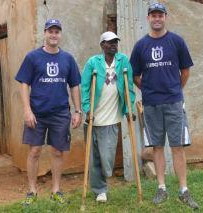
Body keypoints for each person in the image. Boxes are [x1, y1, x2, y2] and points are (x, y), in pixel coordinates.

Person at [130, 2, 199, 209]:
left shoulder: (176, 41)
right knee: (157, 146)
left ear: (165, 17)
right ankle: (161, 188)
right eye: (153, 15)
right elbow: (135, 75)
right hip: (151, 104)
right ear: (148, 18)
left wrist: (175, 89)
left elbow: (185, 70)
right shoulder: (141, 45)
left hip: (174, 103)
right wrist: (149, 89)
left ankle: (183, 190)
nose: (157, 19)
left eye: (160, 15)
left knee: (177, 147)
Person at [15, 19, 82, 205]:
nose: (54, 35)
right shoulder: (32, 57)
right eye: (50, 31)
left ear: (60, 35)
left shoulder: (67, 58)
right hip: (37, 113)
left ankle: (56, 190)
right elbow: (24, 84)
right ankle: (32, 191)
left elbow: (75, 85)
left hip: (60, 113)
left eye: (57, 32)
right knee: (34, 151)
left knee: (57, 152)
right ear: (44, 33)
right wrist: (27, 110)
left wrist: (77, 111)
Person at [81, 31, 135, 203]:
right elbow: (84, 87)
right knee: (94, 156)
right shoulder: (93, 63)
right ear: (102, 45)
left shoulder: (123, 61)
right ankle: (100, 190)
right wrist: (87, 109)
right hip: (93, 118)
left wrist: (128, 108)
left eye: (115, 42)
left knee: (107, 157)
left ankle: (102, 182)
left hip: (111, 119)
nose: (113, 45)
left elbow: (130, 87)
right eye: (109, 42)